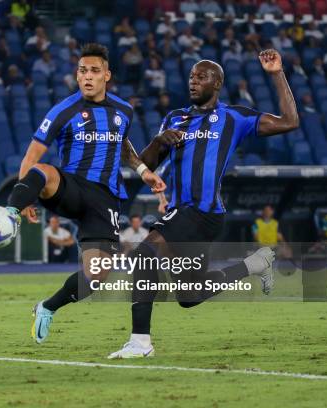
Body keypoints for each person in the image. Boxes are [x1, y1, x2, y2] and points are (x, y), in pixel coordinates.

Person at [108, 49, 299, 359]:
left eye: (202, 76)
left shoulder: (233, 117)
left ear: (218, 83)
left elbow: (290, 121)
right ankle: (255, 263)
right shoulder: (174, 118)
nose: (193, 81)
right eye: (191, 76)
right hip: (184, 213)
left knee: (145, 255)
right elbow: (145, 166)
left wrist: (276, 74)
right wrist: (159, 141)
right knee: (189, 295)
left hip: (202, 210)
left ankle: (140, 343)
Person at [4, 43, 166, 344]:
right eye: (82, 71)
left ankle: (47, 307)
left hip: (105, 199)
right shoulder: (63, 110)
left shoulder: (123, 110)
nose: (87, 77)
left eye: (93, 71)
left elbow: (124, 148)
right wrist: (23, 197)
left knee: (96, 276)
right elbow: (31, 156)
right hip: (72, 188)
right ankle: (9, 214)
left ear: (107, 75)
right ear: (77, 76)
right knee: (44, 169)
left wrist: (144, 171)